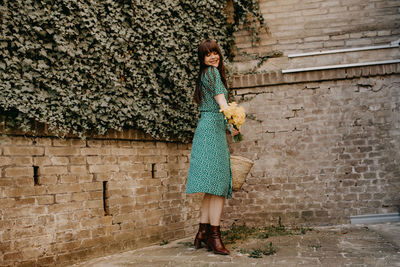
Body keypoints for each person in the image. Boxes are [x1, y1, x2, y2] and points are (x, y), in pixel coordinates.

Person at [185, 40, 240, 255]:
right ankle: (215, 237)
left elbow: (217, 108)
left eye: (215, 52)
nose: (213, 57)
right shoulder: (212, 73)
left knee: (211, 188)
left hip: (207, 130)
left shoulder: (205, 75)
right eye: (207, 54)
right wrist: (233, 121)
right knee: (218, 186)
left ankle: (202, 232)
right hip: (211, 133)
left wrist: (228, 124)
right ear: (202, 59)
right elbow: (223, 105)